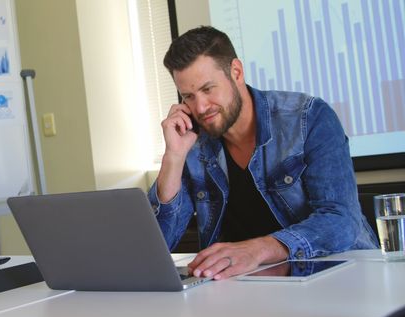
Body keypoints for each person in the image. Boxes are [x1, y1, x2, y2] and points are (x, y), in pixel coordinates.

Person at [147, 26, 378, 281]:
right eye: (188, 96)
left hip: (335, 278)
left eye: (208, 89)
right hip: (243, 289)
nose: (200, 107)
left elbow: (341, 220)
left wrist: (258, 250)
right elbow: (155, 246)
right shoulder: (193, 141)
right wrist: (174, 157)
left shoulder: (309, 118)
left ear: (236, 71)